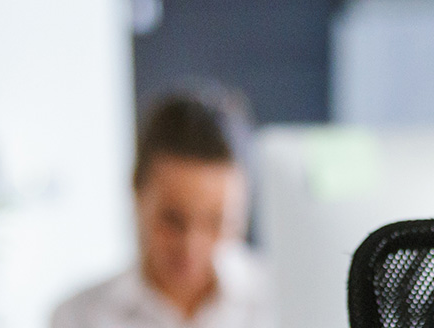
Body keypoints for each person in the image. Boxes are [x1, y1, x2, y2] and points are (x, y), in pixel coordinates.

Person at [52, 90, 277, 328]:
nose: (192, 245)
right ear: (137, 193)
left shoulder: (279, 302)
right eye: (173, 219)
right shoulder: (77, 317)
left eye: (216, 222)